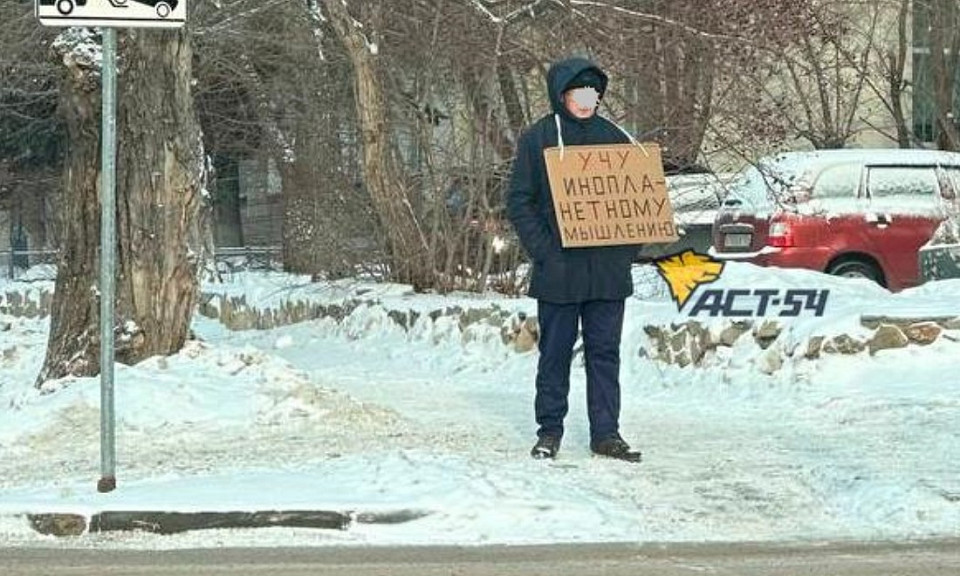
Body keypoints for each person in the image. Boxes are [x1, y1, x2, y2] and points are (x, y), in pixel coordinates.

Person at [506, 56, 642, 463]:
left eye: (593, 92)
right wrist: (546, 252)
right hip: (559, 271)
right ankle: (549, 430)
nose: (587, 100)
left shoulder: (618, 140)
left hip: (606, 274)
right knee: (555, 354)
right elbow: (519, 201)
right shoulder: (539, 139)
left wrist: (623, 254)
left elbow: (639, 204)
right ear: (561, 95)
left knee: (605, 354)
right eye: (578, 92)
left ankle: (606, 433)